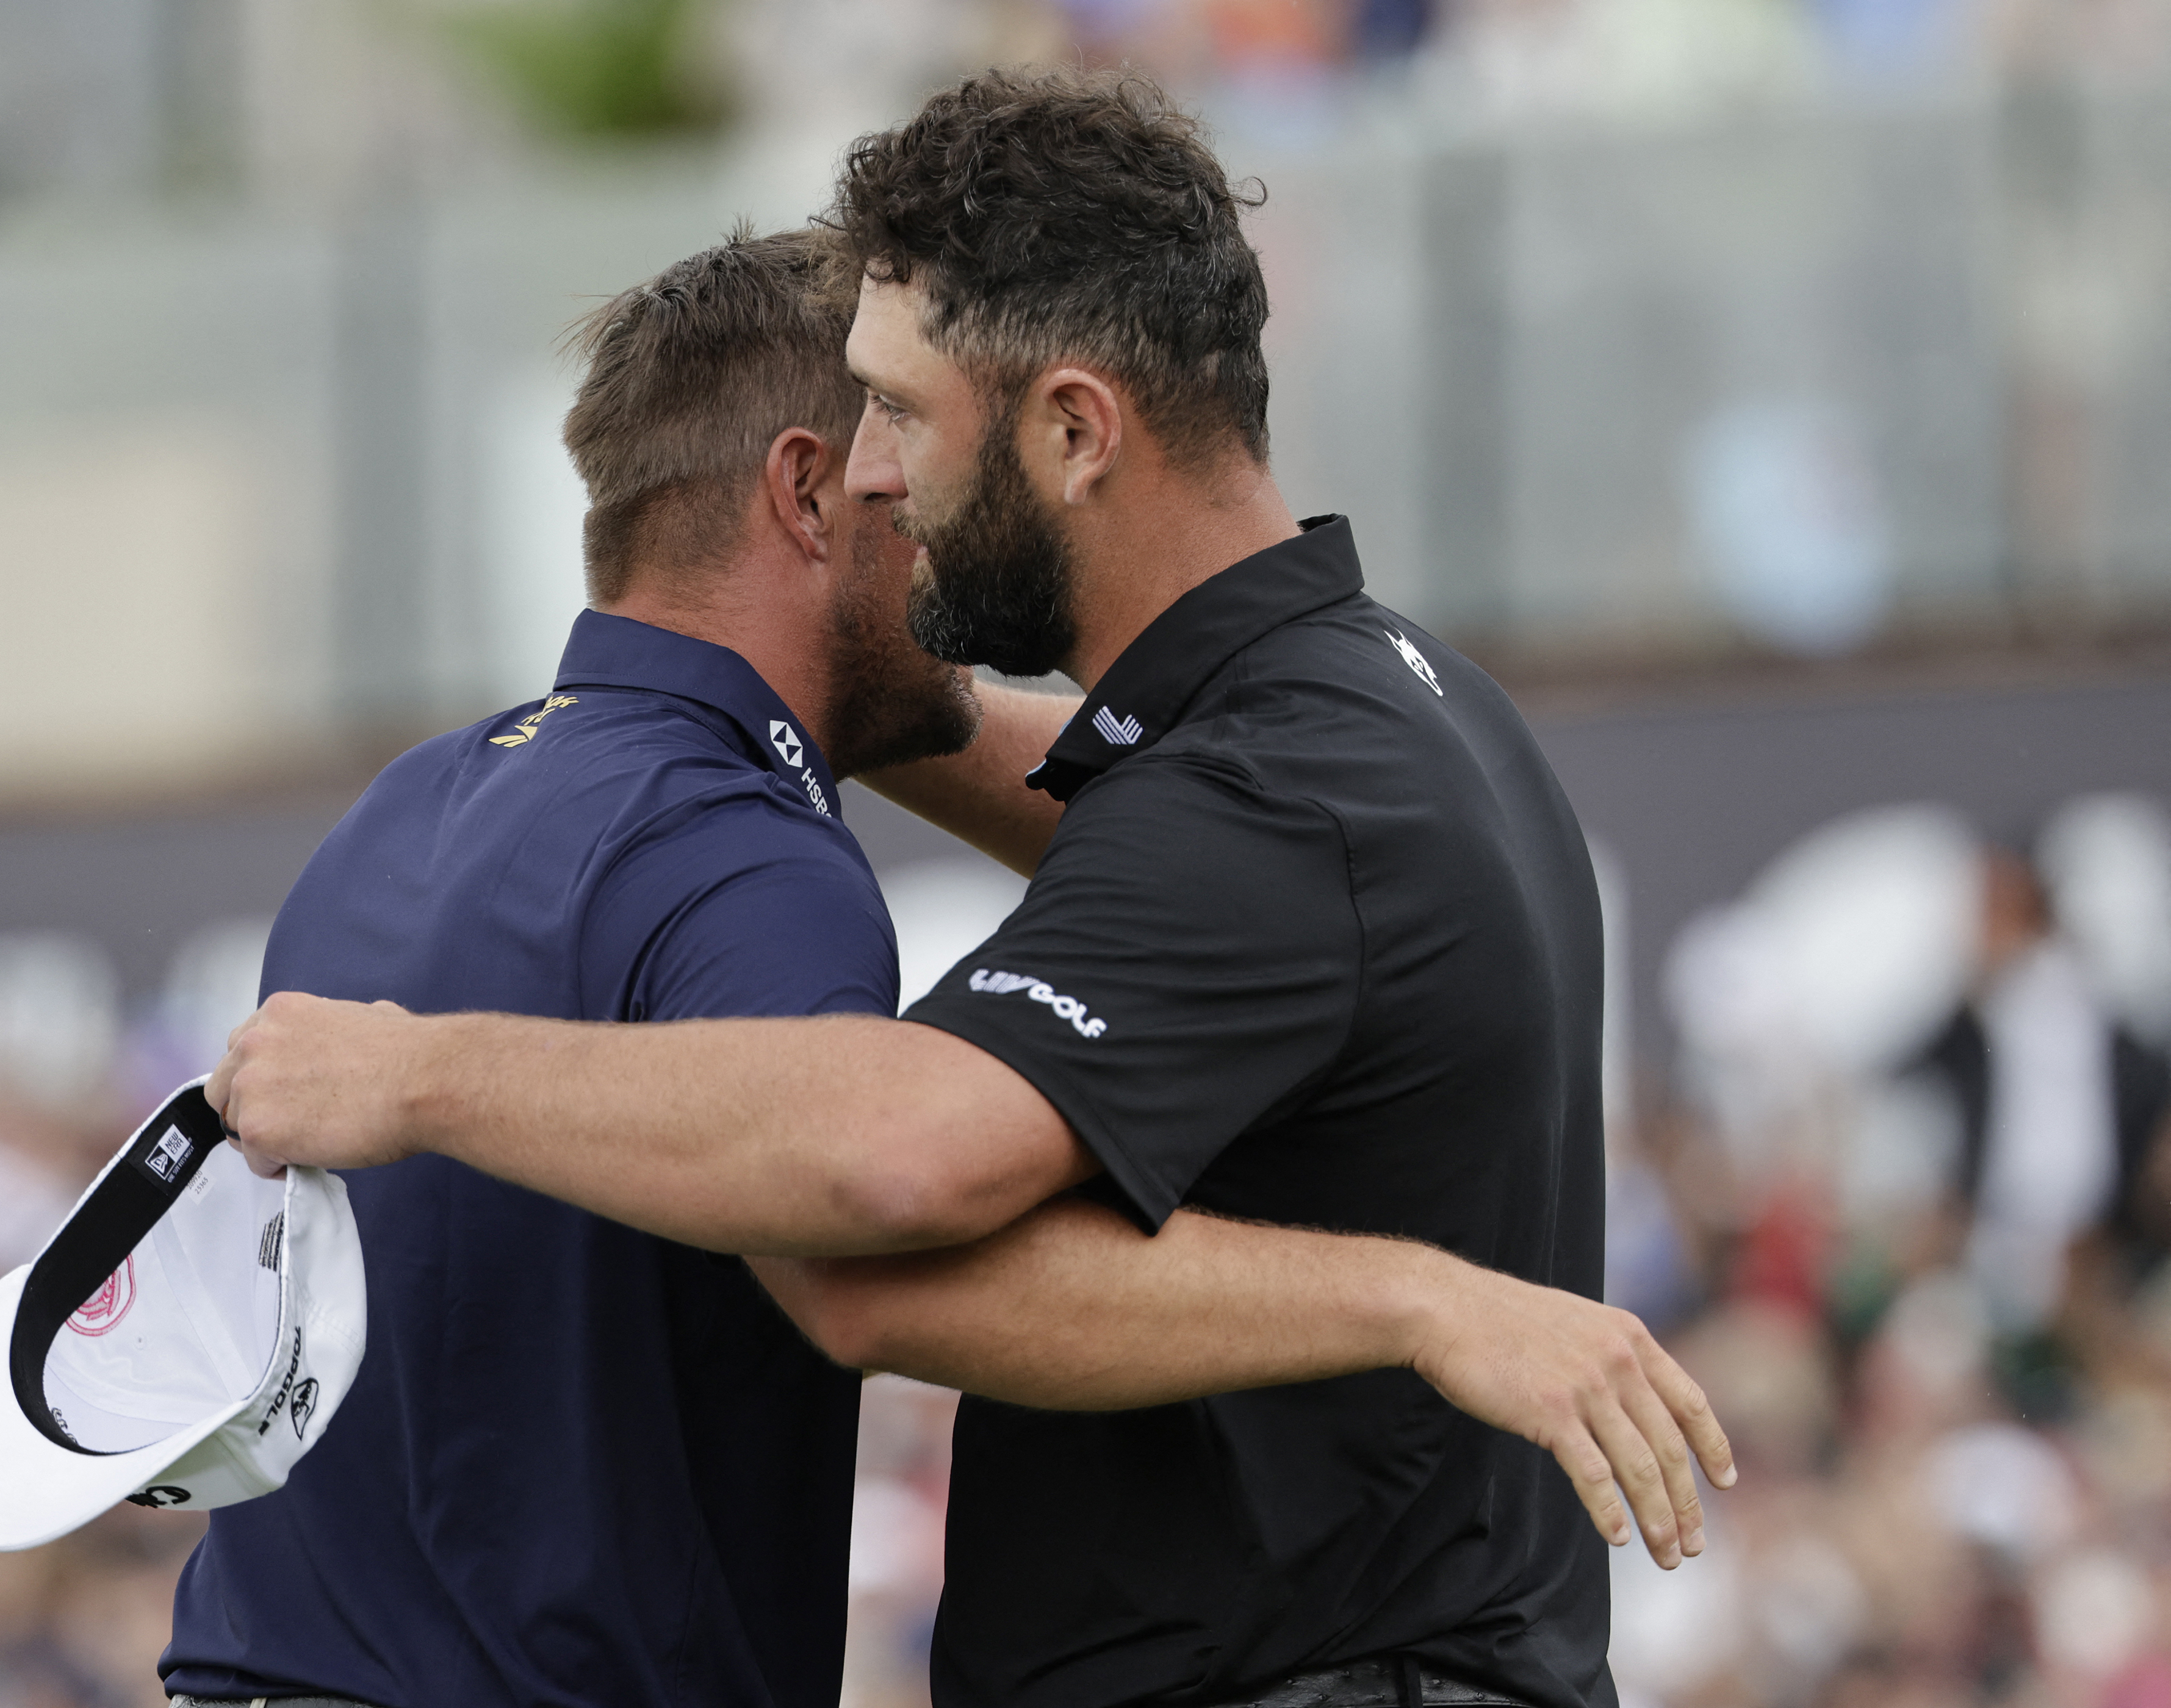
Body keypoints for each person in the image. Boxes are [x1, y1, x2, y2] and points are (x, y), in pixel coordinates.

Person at [212, 71, 1727, 1708]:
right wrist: (820, 690)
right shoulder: (1383, 703)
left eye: (902, 412)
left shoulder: (1269, 797)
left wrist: (425, 1068)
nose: (869, 473)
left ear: (1075, 430)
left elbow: (880, 1188)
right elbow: (1147, 830)